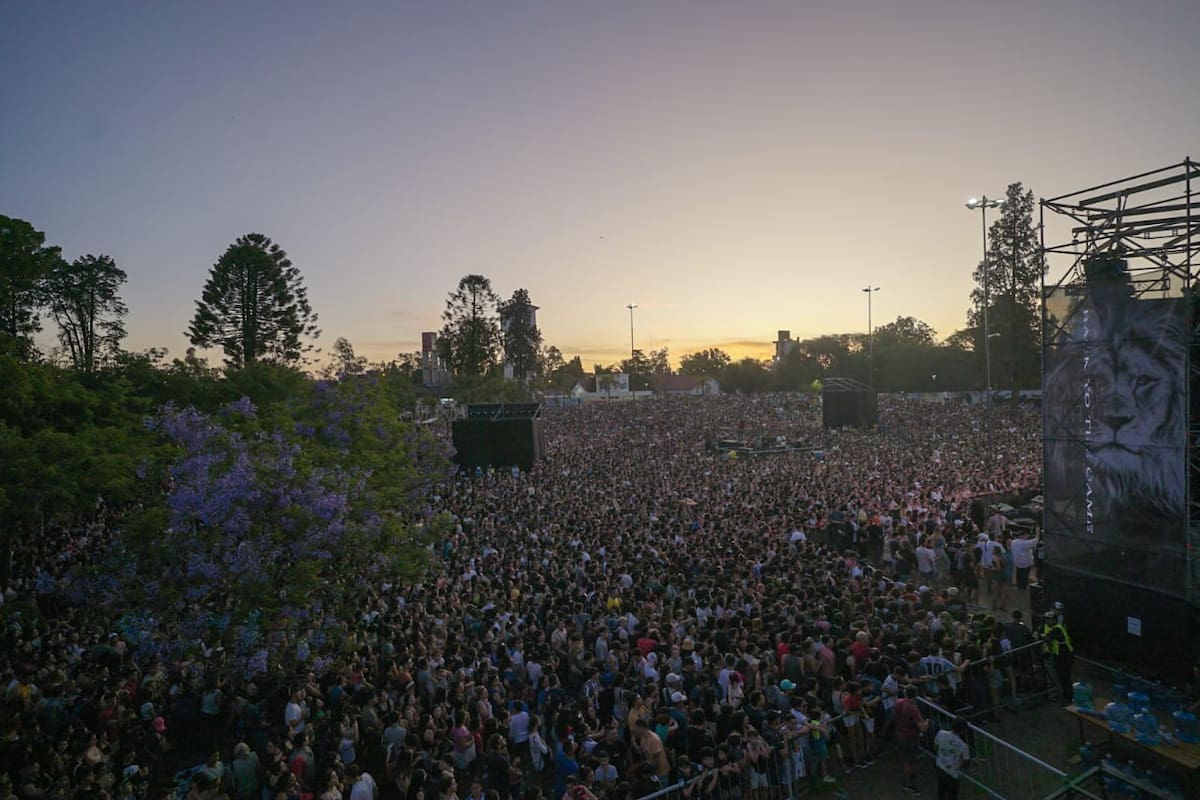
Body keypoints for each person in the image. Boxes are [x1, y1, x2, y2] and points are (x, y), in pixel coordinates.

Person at [894, 687, 929, 795]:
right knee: (909, 761)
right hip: (910, 737)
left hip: (900, 734)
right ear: (916, 695)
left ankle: (910, 777)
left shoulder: (898, 702)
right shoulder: (913, 709)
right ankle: (908, 784)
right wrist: (927, 721)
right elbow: (922, 727)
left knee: (907, 759)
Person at [1041, 611, 1074, 705]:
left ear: (1054, 620)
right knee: (1062, 676)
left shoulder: (1057, 629)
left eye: (1049, 619)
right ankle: (1066, 697)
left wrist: (1043, 636)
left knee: (1065, 677)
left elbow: (1047, 637)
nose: (1047, 622)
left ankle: (1068, 698)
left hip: (1065, 656)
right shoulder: (1055, 628)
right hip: (1060, 655)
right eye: (1046, 619)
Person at [934, 718, 970, 800]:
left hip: (940, 767)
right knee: (952, 795)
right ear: (962, 730)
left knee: (941, 791)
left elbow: (935, 747)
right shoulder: (963, 746)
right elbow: (966, 763)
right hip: (953, 773)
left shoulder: (941, 733)